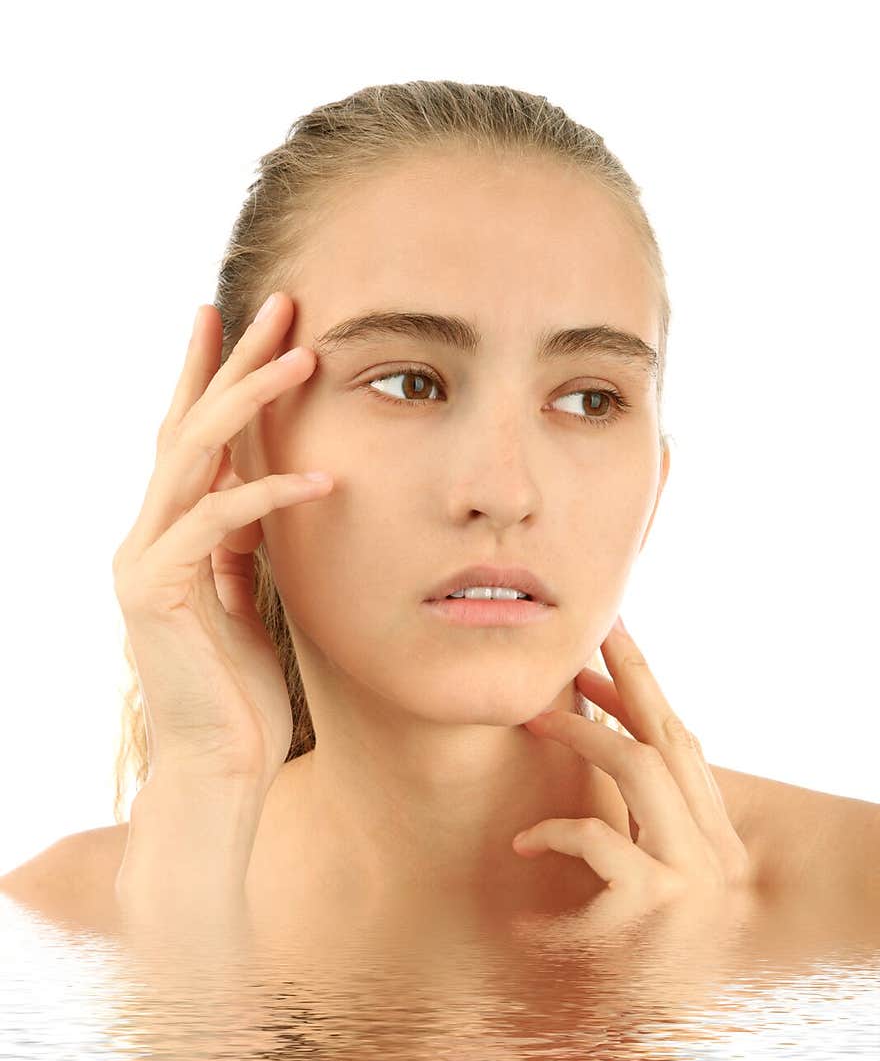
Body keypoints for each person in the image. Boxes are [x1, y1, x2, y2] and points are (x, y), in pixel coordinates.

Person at [2, 80, 877, 938]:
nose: (503, 491)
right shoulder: (53, 925)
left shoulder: (855, 903)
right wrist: (197, 831)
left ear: (656, 482)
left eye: (588, 400)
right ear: (232, 454)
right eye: (409, 384)